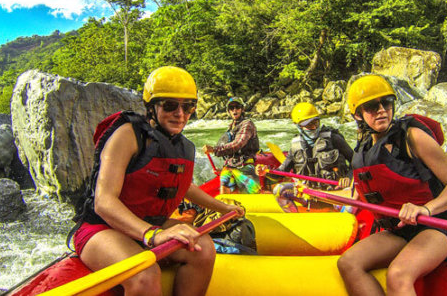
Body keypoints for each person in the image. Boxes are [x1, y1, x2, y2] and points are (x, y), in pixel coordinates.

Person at [70, 66, 244, 296]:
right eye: (170, 105)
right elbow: (103, 201)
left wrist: (223, 208)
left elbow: (183, 187)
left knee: (203, 249)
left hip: (150, 224)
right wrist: (151, 234)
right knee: (145, 274)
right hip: (103, 229)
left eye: (188, 106)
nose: (180, 114)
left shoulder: (179, 145)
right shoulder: (127, 135)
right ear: (151, 107)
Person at [337, 74, 447, 296]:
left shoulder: (412, 137)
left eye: (386, 103)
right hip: (398, 229)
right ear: (357, 114)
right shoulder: (365, 149)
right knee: (348, 263)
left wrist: (425, 209)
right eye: (371, 106)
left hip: (434, 226)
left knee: (398, 274)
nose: (381, 110)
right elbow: (356, 195)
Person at [256, 102, 353, 212]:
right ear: (298, 126)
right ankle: (297, 219)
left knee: (352, 201)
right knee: (279, 189)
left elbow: (355, 162)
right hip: (309, 193)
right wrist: (266, 172)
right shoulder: (295, 146)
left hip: (335, 193)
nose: (314, 127)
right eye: (309, 125)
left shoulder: (334, 139)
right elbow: (281, 172)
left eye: (316, 122)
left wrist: (348, 178)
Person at [202, 97, 261, 194]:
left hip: (246, 165)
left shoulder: (247, 124)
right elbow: (230, 153)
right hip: (230, 167)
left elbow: (238, 144)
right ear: (228, 111)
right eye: (231, 108)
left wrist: (214, 149)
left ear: (242, 109)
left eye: (237, 107)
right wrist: (222, 168)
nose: (234, 110)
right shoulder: (230, 128)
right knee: (224, 187)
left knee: (251, 197)